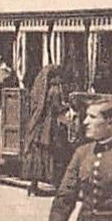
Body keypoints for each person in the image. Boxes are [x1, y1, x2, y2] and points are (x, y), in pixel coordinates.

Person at [21, 63, 75, 197]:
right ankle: (57, 183)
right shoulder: (55, 90)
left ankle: (33, 184)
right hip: (50, 125)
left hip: (38, 124)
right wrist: (68, 107)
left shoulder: (40, 89)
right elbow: (57, 107)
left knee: (37, 155)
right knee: (55, 152)